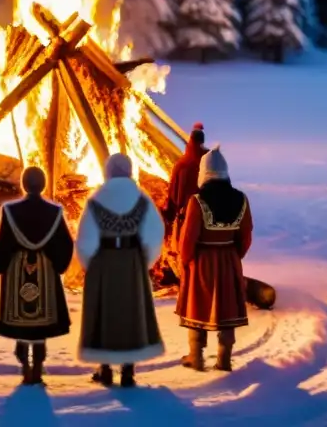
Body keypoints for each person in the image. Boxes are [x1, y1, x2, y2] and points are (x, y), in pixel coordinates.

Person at [76, 153, 165, 388]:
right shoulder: (142, 200)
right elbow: (155, 235)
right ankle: (128, 371)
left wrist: (91, 265)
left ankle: (104, 369)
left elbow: (85, 240)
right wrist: (143, 261)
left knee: (104, 313)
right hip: (132, 262)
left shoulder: (96, 199)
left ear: (108, 171)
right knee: (131, 313)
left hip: (104, 261)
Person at [175, 144, 253, 372]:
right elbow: (246, 235)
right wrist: (234, 256)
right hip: (228, 259)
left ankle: (196, 357)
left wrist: (187, 260)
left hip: (202, 261)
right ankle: (224, 358)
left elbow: (188, 238)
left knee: (197, 306)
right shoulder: (242, 199)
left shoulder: (197, 202)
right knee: (227, 309)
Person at [0, 166, 74, 386]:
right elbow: (65, 243)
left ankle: (25, 366)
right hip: (45, 269)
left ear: (23, 184)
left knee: (22, 323)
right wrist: (57, 266)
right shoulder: (55, 212)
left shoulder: (10, 211)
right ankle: (37, 369)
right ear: (44, 184)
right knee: (41, 324)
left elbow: (3, 243)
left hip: (17, 269)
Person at [164, 123, 208, 245]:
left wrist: (168, 215)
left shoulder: (181, 165)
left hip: (185, 221)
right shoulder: (209, 163)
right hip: (208, 223)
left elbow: (172, 196)